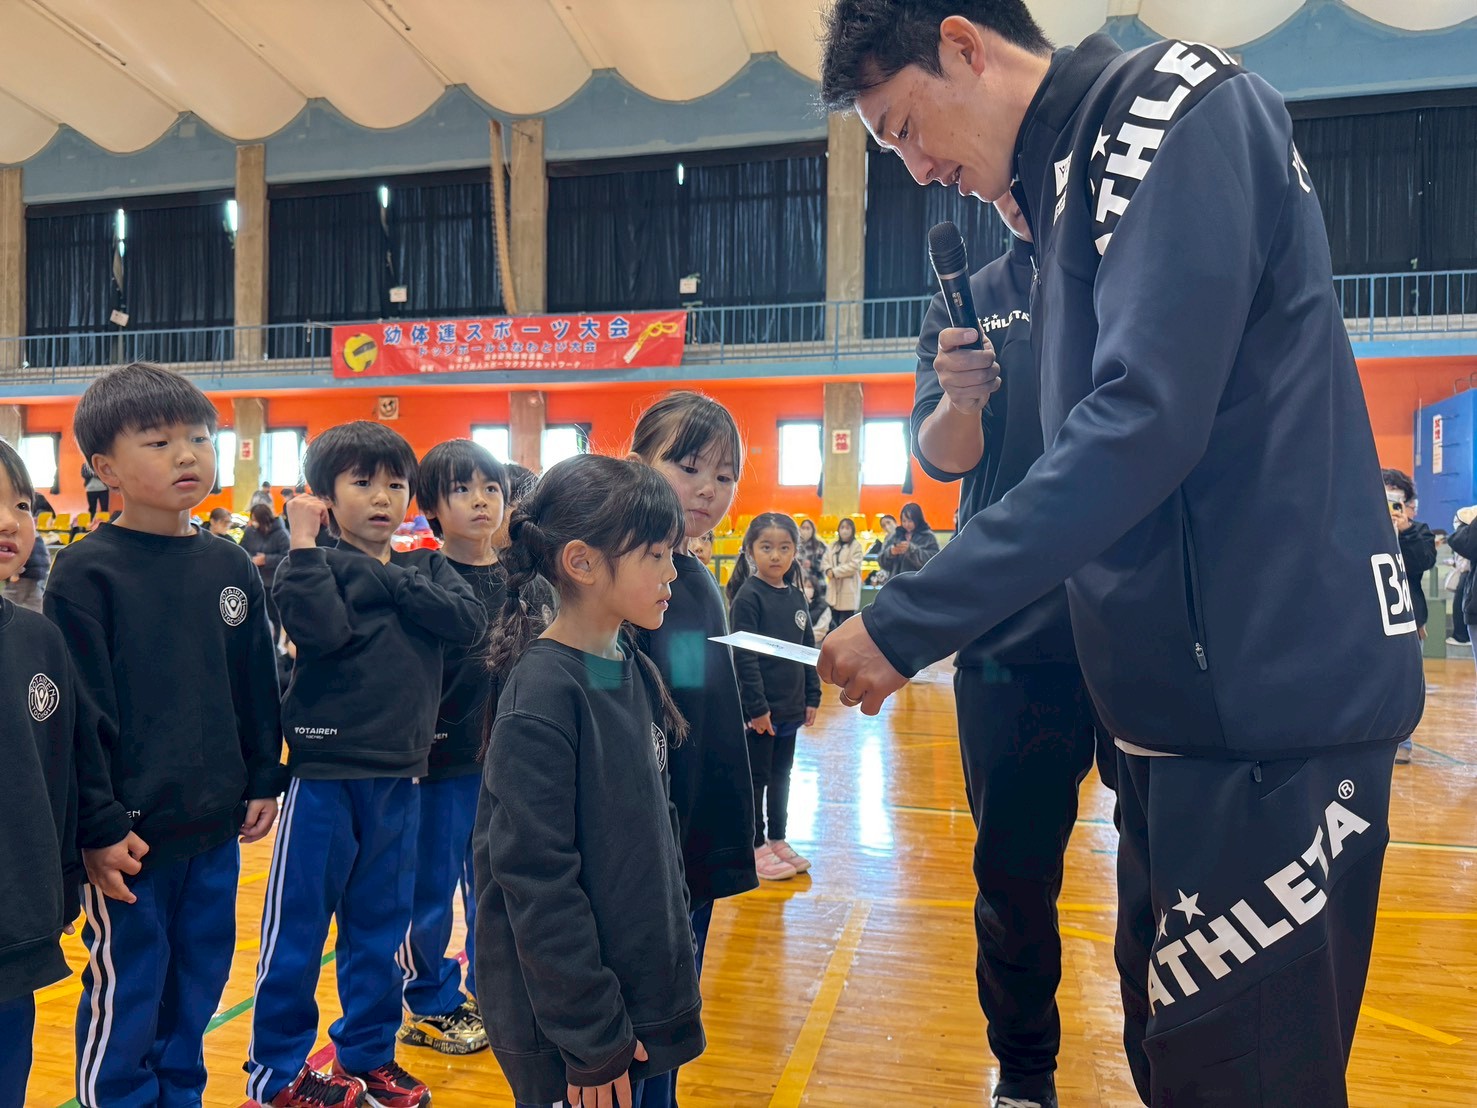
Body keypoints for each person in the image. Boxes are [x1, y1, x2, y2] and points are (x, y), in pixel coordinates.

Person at [817, 6, 1424, 1106]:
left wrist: (908, 618)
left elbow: (1140, 422)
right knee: (1172, 1057)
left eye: (904, 128)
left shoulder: (1164, 107)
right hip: (1176, 716)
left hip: (1265, 710)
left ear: (964, 47)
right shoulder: (1058, 199)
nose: (918, 169)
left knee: (1240, 1077)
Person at [44, 362, 285, 1108]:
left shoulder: (229, 563)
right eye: (158, 442)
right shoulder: (85, 573)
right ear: (106, 468)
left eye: (200, 438)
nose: (187, 454)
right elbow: (81, 716)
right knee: (130, 994)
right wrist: (98, 825)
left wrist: (263, 776)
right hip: (132, 844)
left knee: (197, 987)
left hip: (214, 829)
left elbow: (255, 683)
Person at [910, 192, 1098, 1107]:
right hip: (1011, 633)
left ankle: (1172, 1062)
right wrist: (960, 399)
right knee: (1013, 876)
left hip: (1143, 616)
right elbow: (943, 460)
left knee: (1172, 862)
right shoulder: (972, 294)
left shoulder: (1139, 264)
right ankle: (1023, 1075)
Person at [245, 421, 484, 1108]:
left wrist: (385, 581)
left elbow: (467, 623)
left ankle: (370, 1056)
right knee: (296, 934)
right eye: (361, 482)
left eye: (394, 484)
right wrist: (302, 543)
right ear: (324, 496)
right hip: (323, 779)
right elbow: (321, 629)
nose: (382, 496)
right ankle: (277, 1074)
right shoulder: (309, 564)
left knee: (379, 932)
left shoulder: (426, 567)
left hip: (402, 777)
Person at [472, 454, 706, 1108]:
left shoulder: (621, 662)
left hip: (635, 999)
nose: (672, 572)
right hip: (578, 1034)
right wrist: (590, 1035)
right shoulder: (543, 694)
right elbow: (537, 881)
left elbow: (651, 825)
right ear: (581, 562)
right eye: (655, 556)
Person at [628, 392, 758, 1108]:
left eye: (724, 474)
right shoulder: (621, 580)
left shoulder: (695, 577)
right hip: (642, 836)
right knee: (640, 1015)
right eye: (687, 467)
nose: (708, 488)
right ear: (637, 464)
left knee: (677, 1005)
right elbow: (608, 694)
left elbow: (690, 691)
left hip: (691, 827)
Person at [397, 439, 525, 1057]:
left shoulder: (521, 580)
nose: (480, 500)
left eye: (491, 488)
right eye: (462, 489)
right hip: (437, 765)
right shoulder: (419, 577)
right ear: (431, 508)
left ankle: (491, 990)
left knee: (494, 885)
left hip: (505, 763)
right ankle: (428, 1001)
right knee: (428, 889)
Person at [0, 441, 86, 1108]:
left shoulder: (39, 641)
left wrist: (61, 885)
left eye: (22, 504)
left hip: (15, 936)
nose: (10, 521)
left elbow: (58, 774)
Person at [731, 512, 821, 881]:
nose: (775, 555)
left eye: (784, 548)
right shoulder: (748, 598)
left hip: (791, 708)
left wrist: (812, 696)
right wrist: (757, 708)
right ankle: (754, 845)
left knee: (783, 775)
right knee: (758, 778)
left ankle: (778, 838)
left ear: (795, 552)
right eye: (766, 547)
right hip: (762, 713)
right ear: (750, 550)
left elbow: (808, 650)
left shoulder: (797, 596)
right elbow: (745, 658)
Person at [1383, 470, 1433, 766]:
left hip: (1408, 619)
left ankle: (1403, 741)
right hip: (1370, 619)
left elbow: (1421, 562)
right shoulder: (1361, 525)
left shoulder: (1420, 531)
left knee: (1407, 686)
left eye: (1396, 498)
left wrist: (1405, 532)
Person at [240, 503, 291, 650]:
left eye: (256, 519)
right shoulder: (250, 531)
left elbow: (287, 556)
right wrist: (250, 558)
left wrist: (266, 560)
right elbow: (242, 549)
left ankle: (273, 647)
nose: (253, 522)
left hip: (272, 582)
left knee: (274, 616)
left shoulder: (281, 534)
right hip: (253, 579)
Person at [877, 502, 939, 579]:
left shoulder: (927, 537)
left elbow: (934, 561)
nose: (906, 524)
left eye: (910, 521)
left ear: (917, 520)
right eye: (904, 521)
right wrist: (890, 552)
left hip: (918, 581)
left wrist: (912, 550)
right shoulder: (896, 536)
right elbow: (881, 562)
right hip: (896, 582)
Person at [822, 517, 865, 625]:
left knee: (847, 623)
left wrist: (835, 572)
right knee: (832, 622)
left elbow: (854, 565)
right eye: (842, 527)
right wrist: (828, 570)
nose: (844, 531)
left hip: (848, 589)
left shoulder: (856, 546)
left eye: (847, 528)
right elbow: (825, 560)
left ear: (852, 530)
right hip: (833, 590)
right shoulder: (832, 546)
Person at [796, 517, 830, 625]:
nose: (805, 530)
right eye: (803, 528)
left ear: (813, 530)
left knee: (817, 614)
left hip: (817, 584)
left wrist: (812, 564)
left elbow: (826, 564)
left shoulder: (820, 546)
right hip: (799, 583)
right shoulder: (796, 545)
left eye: (808, 528)